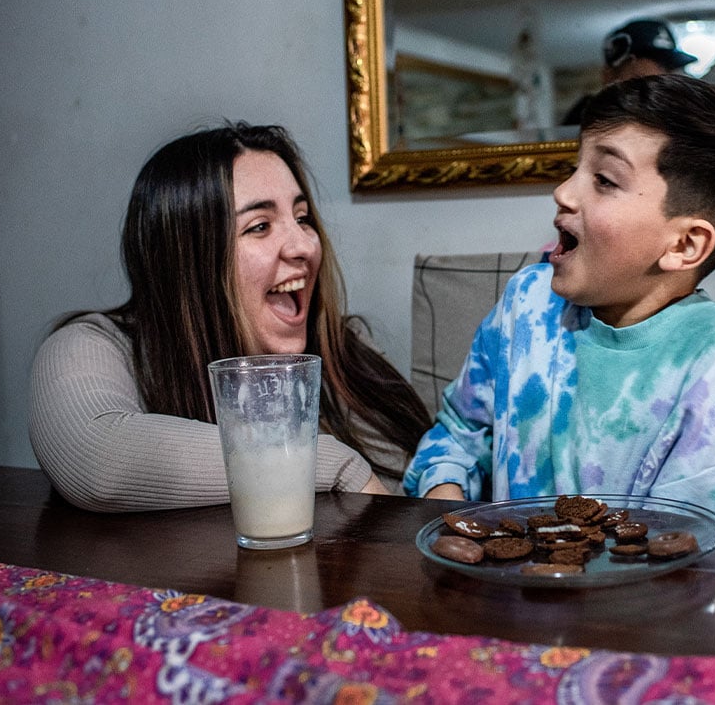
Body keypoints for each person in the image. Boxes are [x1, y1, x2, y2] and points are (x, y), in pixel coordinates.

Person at [404, 74, 715, 518]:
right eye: (575, 168)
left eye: (604, 179)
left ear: (683, 245)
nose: (562, 192)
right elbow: (458, 433)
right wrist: (444, 495)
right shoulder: (528, 300)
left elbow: (686, 539)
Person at [29, 123, 432, 512]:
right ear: (188, 261)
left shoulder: (344, 349)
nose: (304, 246)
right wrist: (327, 463)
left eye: (303, 217)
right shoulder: (93, 348)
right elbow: (97, 457)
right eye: (260, 226)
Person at [560, 18, 697, 126]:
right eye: (642, 81)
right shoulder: (589, 119)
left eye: (669, 70)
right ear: (609, 77)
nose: (660, 90)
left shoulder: (677, 119)